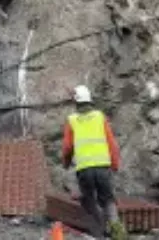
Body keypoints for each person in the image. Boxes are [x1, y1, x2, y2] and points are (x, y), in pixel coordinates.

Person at [61, 85, 127, 240]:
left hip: (84, 170)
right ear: (89, 101)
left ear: (76, 103)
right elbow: (112, 144)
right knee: (108, 200)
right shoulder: (100, 117)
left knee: (89, 201)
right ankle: (118, 234)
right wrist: (115, 164)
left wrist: (65, 162)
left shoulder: (72, 120)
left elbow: (67, 147)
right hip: (103, 168)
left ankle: (100, 233)